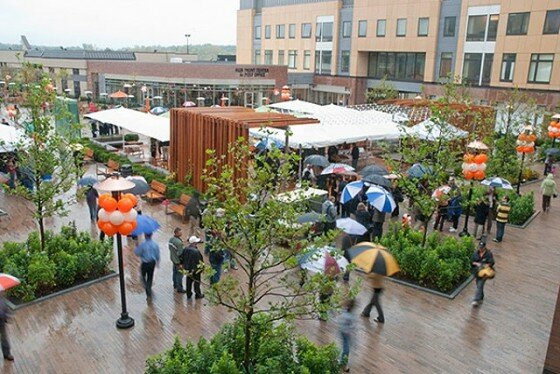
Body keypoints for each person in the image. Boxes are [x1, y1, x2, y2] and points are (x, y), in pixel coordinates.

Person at [134, 233, 160, 299]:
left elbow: (137, 253)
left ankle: (147, 289)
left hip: (145, 263)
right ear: (151, 235)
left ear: (145, 236)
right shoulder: (155, 244)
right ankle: (149, 289)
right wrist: (157, 263)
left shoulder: (143, 245)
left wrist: (137, 246)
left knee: (142, 276)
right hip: (152, 263)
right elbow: (157, 255)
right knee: (150, 276)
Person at [471, 241, 495, 307]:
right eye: (479, 247)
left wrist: (484, 265)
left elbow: (491, 262)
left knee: (480, 284)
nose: (480, 249)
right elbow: (472, 261)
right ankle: (481, 296)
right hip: (477, 272)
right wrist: (476, 264)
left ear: (484, 247)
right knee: (478, 284)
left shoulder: (488, 254)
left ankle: (476, 300)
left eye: (482, 248)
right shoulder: (475, 253)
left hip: (485, 273)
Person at [338, 299, 356, 372]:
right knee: (346, 349)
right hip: (345, 333)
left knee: (346, 348)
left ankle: (342, 361)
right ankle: (343, 364)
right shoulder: (348, 315)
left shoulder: (346, 312)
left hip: (345, 332)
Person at [168, 228, 186, 293]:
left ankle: (175, 284)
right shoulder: (179, 243)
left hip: (173, 259)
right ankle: (180, 288)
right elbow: (180, 253)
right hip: (178, 261)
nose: (181, 233)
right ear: (177, 233)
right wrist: (182, 262)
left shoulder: (171, 239)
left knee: (174, 272)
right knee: (180, 275)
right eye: (180, 232)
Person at [0, 292, 13, 361]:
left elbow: (5, 309)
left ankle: (6, 354)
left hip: (1, 321)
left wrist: (8, 316)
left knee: (4, 338)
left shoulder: (2, 299)